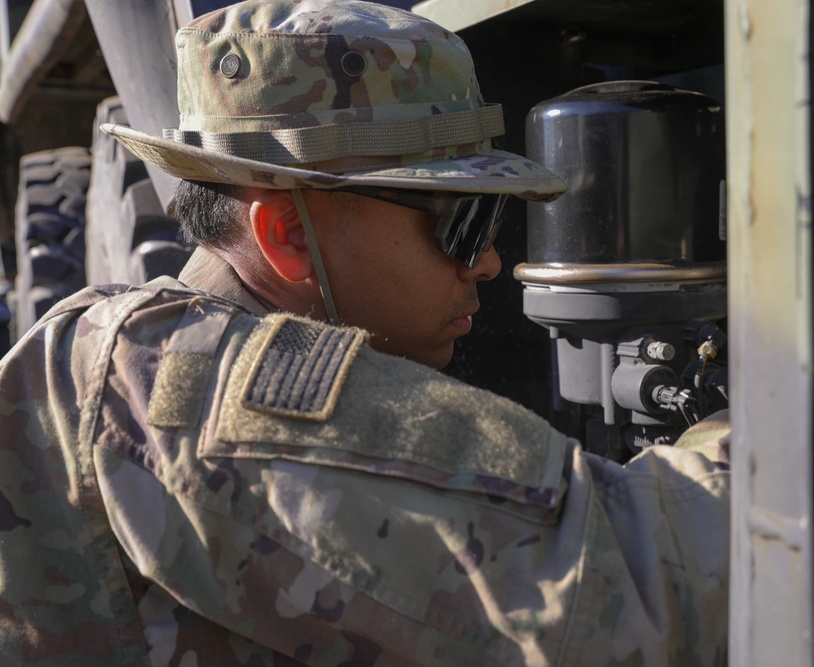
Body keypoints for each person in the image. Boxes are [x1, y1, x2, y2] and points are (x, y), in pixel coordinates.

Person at [0, 1, 731, 665]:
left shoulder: (139, 352)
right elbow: (636, 586)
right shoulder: (186, 381)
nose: (488, 260)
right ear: (286, 232)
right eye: (460, 220)